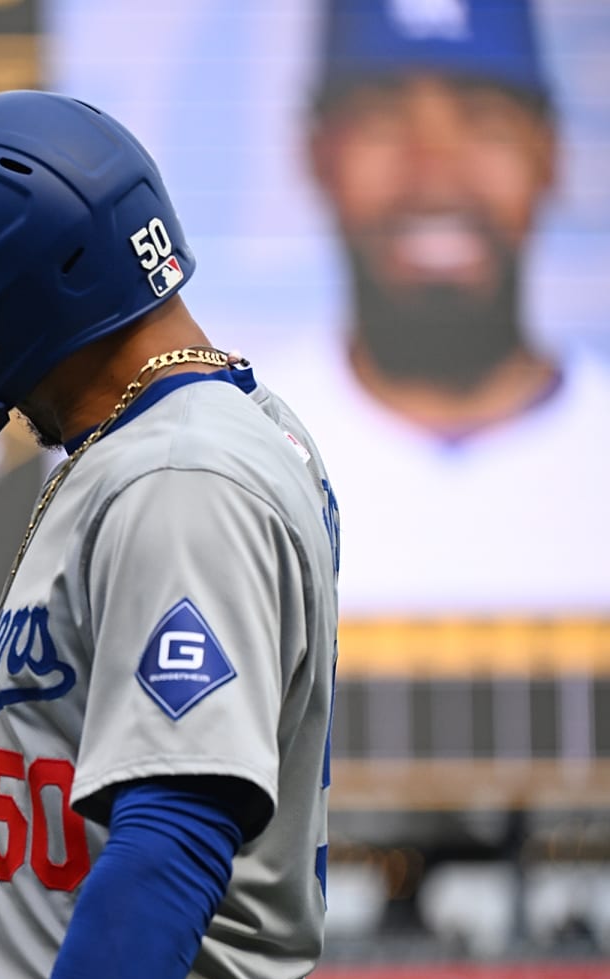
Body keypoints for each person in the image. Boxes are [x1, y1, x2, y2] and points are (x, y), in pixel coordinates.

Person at [0, 91, 341, 979]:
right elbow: (46, 721)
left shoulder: (181, 475)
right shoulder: (185, 432)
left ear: (11, 303)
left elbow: (174, 833)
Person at [261, 0, 610, 613]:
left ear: (550, 154)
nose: (434, 171)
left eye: (484, 119)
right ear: (316, 154)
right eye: (383, 120)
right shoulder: (229, 459)